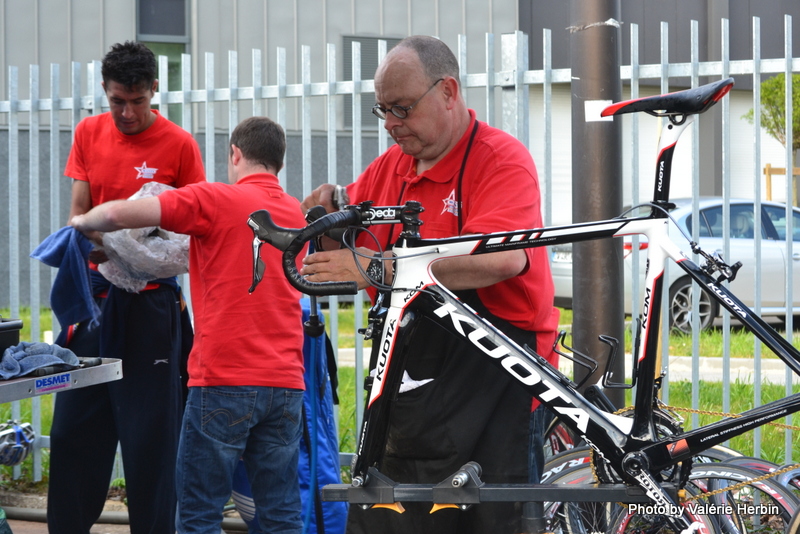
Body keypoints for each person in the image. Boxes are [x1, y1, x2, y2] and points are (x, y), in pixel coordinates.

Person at [300, 35, 560, 534]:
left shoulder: (500, 160)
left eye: (402, 108)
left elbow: (503, 258)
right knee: (391, 513)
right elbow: (348, 236)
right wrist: (325, 222)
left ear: (448, 91)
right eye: (383, 111)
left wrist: (380, 268)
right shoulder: (390, 169)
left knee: (490, 520)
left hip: (499, 371)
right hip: (413, 372)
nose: (392, 124)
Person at [70, 116, 308, 534]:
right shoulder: (295, 214)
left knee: (199, 513)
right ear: (279, 163)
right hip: (285, 385)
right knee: (281, 513)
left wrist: (83, 223)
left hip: (222, 381)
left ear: (235, 154)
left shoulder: (213, 199)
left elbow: (126, 214)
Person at [46, 41, 205, 534]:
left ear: (155, 89)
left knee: (152, 439)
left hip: (152, 306)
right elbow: (78, 215)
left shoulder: (180, 145)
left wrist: (117, 240)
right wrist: (109, 239)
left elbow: (187, 233)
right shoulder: (89, 132)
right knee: (74, 427)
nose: (128, 112)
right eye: (118, 101)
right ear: (105, 91)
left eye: (137, 100)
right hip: (93, 298)